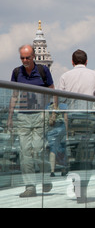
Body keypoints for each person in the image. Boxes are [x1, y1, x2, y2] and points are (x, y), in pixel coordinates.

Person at [57, 49, 95, 203]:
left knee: (74, 154)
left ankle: (76, 183)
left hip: (71, 121)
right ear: (86, 61)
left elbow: (59, 100)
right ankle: (82, 188)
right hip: (89, 121)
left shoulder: (65, 76)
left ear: (72, 62)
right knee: (88, 156)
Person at [8, 44, 55, 197]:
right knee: (25, 153)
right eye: (22, 58)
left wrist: (51, 111)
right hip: (22, 116)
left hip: (40, 115)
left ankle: (45, 178)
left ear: (33, 56)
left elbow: (52, 90)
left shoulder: (43, 71)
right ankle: (30, 187)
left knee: (39, 149)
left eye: (28, 57)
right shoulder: (17, 72)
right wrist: (10, 116)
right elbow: (14, 95)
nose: (25, 60)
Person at [46, 101, 69, 177]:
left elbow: (45, 118)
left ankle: (52, 171)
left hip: (51, 128)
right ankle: (63, 169)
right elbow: (65, 119)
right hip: (61, 127)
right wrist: (67, 133)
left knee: (53, 148)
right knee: (62, 148)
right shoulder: (63, 105)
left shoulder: (47, 106)